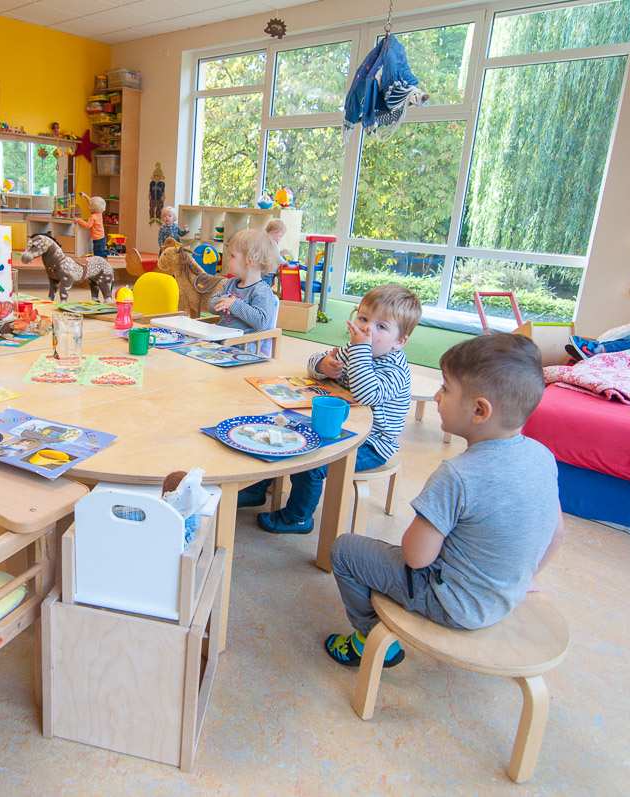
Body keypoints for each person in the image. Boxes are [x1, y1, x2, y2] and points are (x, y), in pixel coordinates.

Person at [323, 333, 563, 668]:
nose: (437, 396)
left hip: (450, 602)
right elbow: (556, 534)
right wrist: (520, 580)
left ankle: (367, 638)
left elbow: (416, 557)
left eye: (446, 389)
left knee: (346, 550)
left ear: (479, 410)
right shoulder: (543, 457)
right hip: (506, 595)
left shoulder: (458, 475)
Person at [245, 285, 421, 534]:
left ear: (399, 341)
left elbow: (366, 393)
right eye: (363, 319)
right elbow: (313, 363)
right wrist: (323, 365)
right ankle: (256, 489)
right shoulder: (353, 349)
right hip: (340, 425)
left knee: (311, 461)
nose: (367, 330)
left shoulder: (394, 369)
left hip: (372, 443)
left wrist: (360, 349)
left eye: (381, 326)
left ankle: (298, 518)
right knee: (283, 432)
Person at [208, 228, 280, 334]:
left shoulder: (261, 291)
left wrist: (233, 304)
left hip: (243, 342)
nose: (227, 259)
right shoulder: (230, 283)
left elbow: (262, 322)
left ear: (250, 260)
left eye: (232, 256)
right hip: (222, 337)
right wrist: (224, 301)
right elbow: (210, 305)